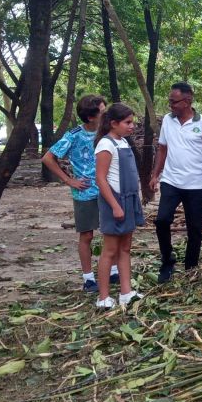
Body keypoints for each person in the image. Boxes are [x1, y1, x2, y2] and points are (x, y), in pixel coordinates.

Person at [41, 94, 119, 292]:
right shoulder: (74, 135)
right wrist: (69, 180)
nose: (107, 114)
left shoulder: (109, 132)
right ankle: (88, 278)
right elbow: (48, 158)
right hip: (85, 192)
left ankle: (113, 271)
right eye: (103, 111)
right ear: (91, 117)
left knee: (111, 231)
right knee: (86, 235)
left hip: (108, 189)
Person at [149, 82, 202, 283]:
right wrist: (155, 175)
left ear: (188, 101)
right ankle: (167, 258)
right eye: (170, 101)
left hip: (196, 184)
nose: (170, 105)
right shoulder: (168, 122)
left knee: (195, 228)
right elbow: (162, 149)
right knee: (162, 220)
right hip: (171, 181)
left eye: (174, 101)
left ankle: (191, 267)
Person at [94, 103, 144, 308]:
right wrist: (115, 205)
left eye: (132, 122)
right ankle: (103, 297)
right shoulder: (105, 145)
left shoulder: (123, 142)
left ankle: (126, 291)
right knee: (110, 250)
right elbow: (101, 179)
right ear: (113, 123)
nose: (132, 126)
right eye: (127, 122)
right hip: (114, 202)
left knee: (125, 248)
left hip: (129, 199)